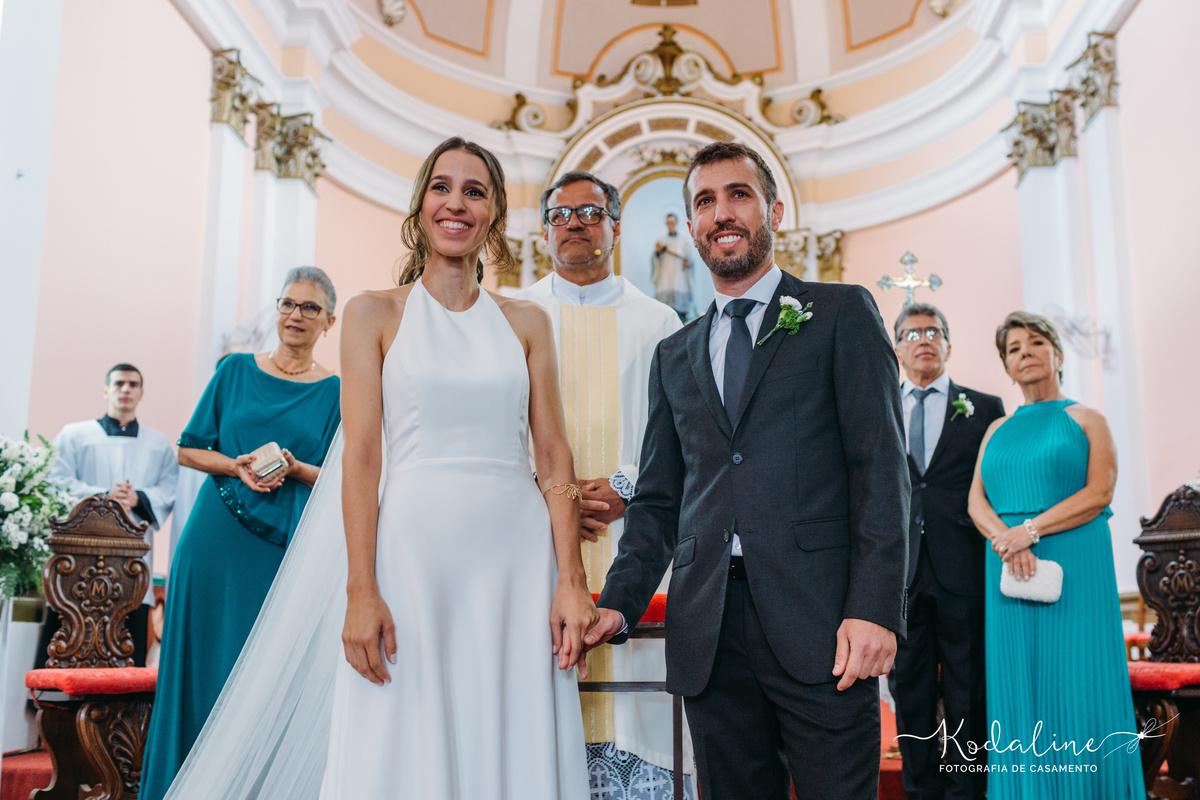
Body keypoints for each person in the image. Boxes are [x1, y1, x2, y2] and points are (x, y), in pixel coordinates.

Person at [150, 138, 594, 800]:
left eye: (475, 191)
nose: (456, 203)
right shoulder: (370, 313)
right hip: (411, 554)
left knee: (512, 727)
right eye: (442, 187)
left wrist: (571, 582)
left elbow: (554, 456)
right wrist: (361, 589)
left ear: (495, 214)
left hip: (517, 558)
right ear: (419, 206)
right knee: (404, 730)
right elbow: (359, 458)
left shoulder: (527, 321)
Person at [584, 141, 910, 799]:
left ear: (774, 210)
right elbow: (657, 499)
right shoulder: (674, 353)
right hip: (708, 629)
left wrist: (875, 608)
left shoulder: (840, 313)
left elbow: (880, 471)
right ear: (692, 224)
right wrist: (618, 603)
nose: (721, 213)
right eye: (704, 201)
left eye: (738, 194)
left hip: (822, 626)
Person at [516, 170, 690, 794]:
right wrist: (549, 492)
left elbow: (681, 433)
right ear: (544, 233)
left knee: (641, 702)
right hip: (532, 532)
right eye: (559, 216)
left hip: (635, 534)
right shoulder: (514, 315)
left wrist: (627, 486)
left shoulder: (661, 322)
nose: (574, 225)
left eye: (589, 213)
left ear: (616, 227)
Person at [140, 267, 342, 800]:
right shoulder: (232, 371)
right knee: (201, 662)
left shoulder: (336, 391)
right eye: (288, 303)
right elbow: (186, 448)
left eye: (310, 308)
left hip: (285, 549)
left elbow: (345, 476)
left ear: (330, 321)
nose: (296, 315)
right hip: (213, 541)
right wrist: (235, 466)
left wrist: (296, 468)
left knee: (266, 668)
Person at [968, 311, 1142, 798]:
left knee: (1078, 683)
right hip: (1007, 568)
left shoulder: (1087, 419)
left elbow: (1099, 493)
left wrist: (1029, 530)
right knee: (1018, 688)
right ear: (1006, 367)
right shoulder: (996, 429)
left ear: (1058, 354)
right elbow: (975, 501)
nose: (1026, 352)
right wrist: (1006, 541)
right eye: (1014, 348)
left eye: (1036, 342)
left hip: (1074, 562)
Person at [888, 303, 1003, 800]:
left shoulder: (985, 407)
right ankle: (921, 790)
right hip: (900, 574)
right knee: (909, 691)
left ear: (949, 345)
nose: (924, 339)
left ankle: (966, 792)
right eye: (912, 333)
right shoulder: (877, 406)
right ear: (897, 347)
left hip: (965, 566)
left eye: (934, 332)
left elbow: (997, 486)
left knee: (967, 690)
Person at [45, 363, 178, 666]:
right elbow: (56, 481)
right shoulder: (75, 435)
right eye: (119, 383)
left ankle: (124, 704)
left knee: (127, 635)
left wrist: (139, 497)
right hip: (80, 553)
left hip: (131, 554)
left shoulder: (157, 443)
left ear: (141, 393)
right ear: (106, 389)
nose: (126, 390)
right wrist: (103, 496)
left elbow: (171, 487)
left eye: (133, 384)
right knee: (70, 633)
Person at [652, 213, 693, 321]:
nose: (670, 225)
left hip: (679, 282)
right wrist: (657, 253)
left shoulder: (683, 242)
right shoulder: (661, 241)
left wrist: (688, 263)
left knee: (680, 319)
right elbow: (655, 261)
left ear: (676, 223)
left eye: (672, 223)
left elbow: (689, 260)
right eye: (668, 223)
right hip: (665, 281)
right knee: (664, 316)